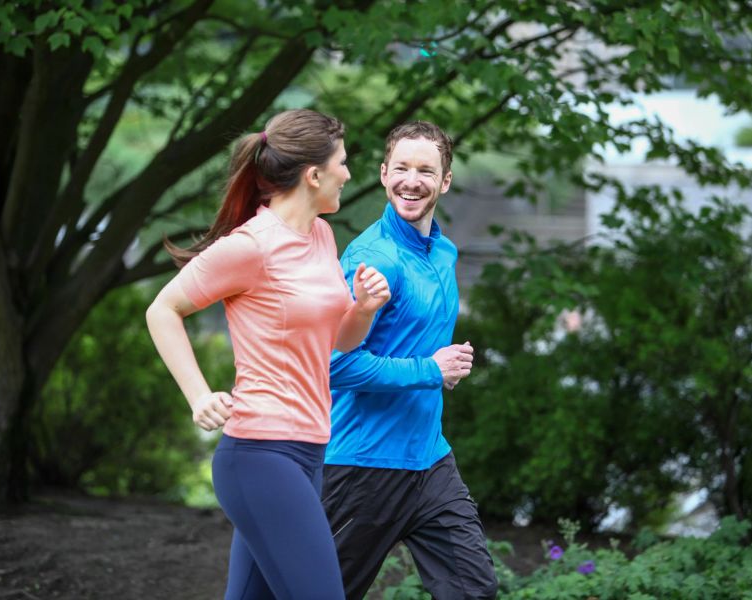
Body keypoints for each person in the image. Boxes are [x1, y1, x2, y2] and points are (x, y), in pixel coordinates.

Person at [145, 109, 390, 600]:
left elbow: (338, 341)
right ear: (314, 174)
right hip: (259, 455)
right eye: (342, 162)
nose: (348, 172)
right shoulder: (251, 246)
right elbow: (163, 309)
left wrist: (363, 309)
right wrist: (197, 395)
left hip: (308, 450)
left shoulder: (320, 234)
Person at [322, 121, 499, 599]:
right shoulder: (374, 258)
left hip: (429, 460)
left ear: (444, 181)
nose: (411, 180)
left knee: (474, 591)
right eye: (401, 168)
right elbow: (335, 364)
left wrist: (447, 363)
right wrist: (429, 371)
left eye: (426, 170)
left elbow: (418, 343)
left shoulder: (442, 252)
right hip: (363, 464)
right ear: (383, 174)